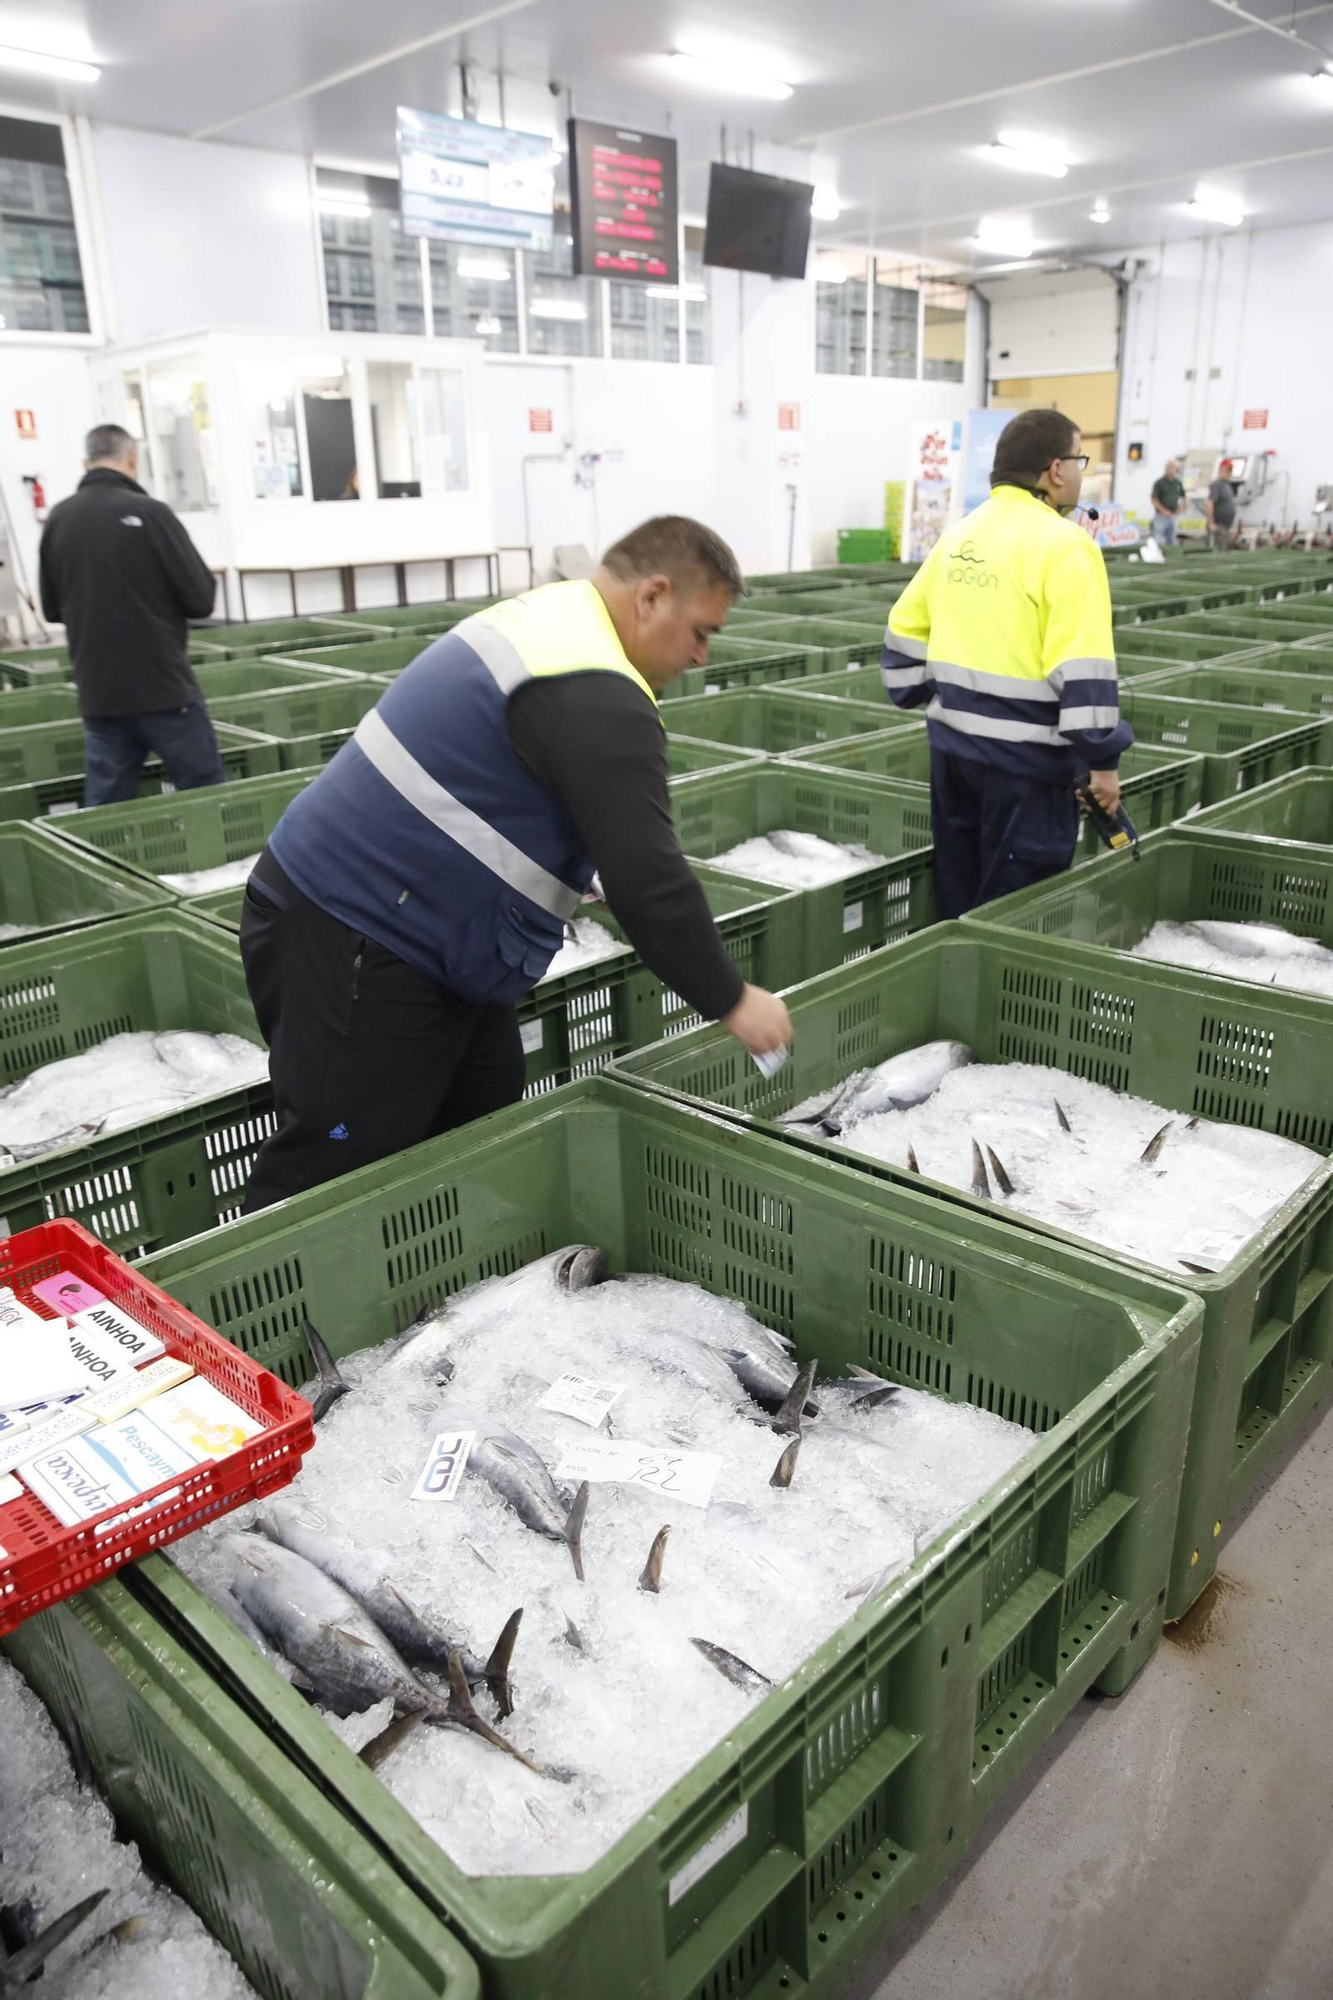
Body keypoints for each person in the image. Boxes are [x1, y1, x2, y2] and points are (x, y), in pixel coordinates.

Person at [238, 515, 794, 1210]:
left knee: (483, 1101)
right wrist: (733, 1001)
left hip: (427, 938)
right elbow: (649, 884)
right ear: (651, 596)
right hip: (351, 932)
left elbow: (504, 779)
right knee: (334, 1167)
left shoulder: (552, 622)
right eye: (701, 632)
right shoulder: (594, 686)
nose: (702, 656)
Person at [882, 408, 1131, 920]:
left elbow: (903, 636)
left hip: (953, 761)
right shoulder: (1066, 547)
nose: (1082, 471)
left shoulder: (958, 538)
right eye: (1080, 458)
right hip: (1026, 772)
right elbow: (1084, 670)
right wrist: (1103, 763)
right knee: (1014, 917)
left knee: (961, 899)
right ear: (1055, 470)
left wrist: (940, 700)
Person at [38, 423, 223, 807]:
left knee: (106, 813)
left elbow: (53, 609)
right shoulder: (150, 514)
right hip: (164, 690)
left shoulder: (59, 519)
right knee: (205, 799)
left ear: (85, 462)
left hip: (99, 694)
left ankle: (102, 866)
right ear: (133, 459)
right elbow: (201, 599)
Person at [1150, 458, 1185, 547]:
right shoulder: (1159, 483)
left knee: (1172, 539)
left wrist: (1180, 508)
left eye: (1173, 468)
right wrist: (1163, 511)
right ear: (1165, 469)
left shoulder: (1178, 483)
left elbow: (1183, 497)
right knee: (1157, 540)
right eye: (1169, 467)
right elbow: (1154, 499)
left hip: (1173, 516)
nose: (1171, 470)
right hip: (1161, 517)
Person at [1207, 461, 1238, 551]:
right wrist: (1211, 523)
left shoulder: (1227, 486)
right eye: (1227, 470)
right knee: (1218, 551)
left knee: (1224, 550)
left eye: (1230, 471)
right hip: (1218, 526)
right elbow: (1210, 503)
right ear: (1221, 470)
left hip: (1226, 527)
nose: (1229, 473)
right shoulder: (1216, 485)